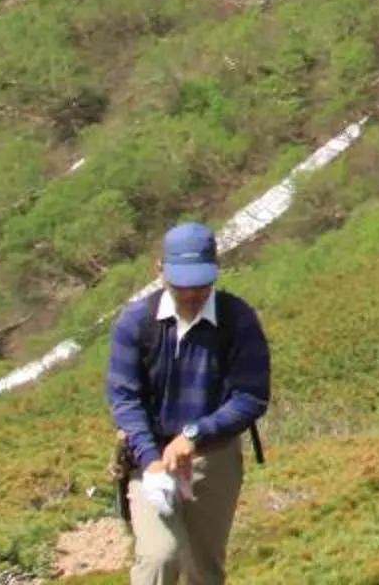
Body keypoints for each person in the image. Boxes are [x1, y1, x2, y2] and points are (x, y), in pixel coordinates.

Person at [105, 221, 271, 585]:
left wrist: (194, 435)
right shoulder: (135, 323)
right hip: (148, 456)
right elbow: (124, 398)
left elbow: (251, 396)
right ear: (160, 271)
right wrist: (150, 461)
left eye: (201, 284)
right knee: (159, 557)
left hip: (214, 458)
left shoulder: (237, 320)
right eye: (182, 285)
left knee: (205, 570)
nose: (192, 294)